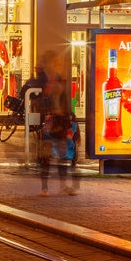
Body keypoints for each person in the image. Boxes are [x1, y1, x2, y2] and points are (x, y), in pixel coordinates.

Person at [38, 58, 79, 196]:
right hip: (51, 127)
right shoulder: (48, 89)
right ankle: (45, 188)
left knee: (62, 157)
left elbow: (67, 110)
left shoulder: (59, 92)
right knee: (47, 158)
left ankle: (60, 185)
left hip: (59, 127)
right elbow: (42, 107)